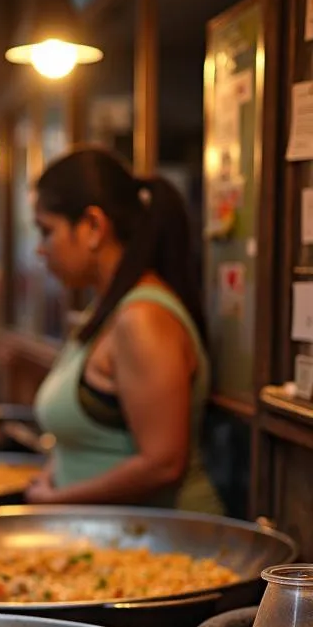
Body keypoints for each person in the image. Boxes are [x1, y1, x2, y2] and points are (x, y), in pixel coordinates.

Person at [26, 146, 222, 513]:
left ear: (93, 226)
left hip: (161, 549)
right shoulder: (104, 311)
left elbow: (163, 464)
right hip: (109, 537)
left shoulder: (142, 318)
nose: (40, 250)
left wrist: (58, 499)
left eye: (46, 231)